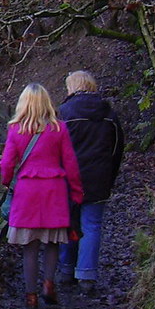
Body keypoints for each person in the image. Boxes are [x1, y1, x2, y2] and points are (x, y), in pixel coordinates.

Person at [0, 83, 84, 308]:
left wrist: (6, 182)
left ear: (23, 103)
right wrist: (76, 191)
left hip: (27, 193)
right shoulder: (59, 129)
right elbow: (71, 163)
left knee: (30, 246)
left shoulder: (16, 129)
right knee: (53, 241)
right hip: (54, 192)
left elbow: (7, 163)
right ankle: (48, 284)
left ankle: (31, 296)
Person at [58, 71, 125, 295]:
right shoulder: (108, 114)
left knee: (69, 223)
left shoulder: (65, 113)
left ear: (73, 87)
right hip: (98, 178)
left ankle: (66, 270)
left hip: (70, 179)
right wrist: (109, 176)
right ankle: (86, 275)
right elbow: (117, 149)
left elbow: (56, 147)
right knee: (92, 226)